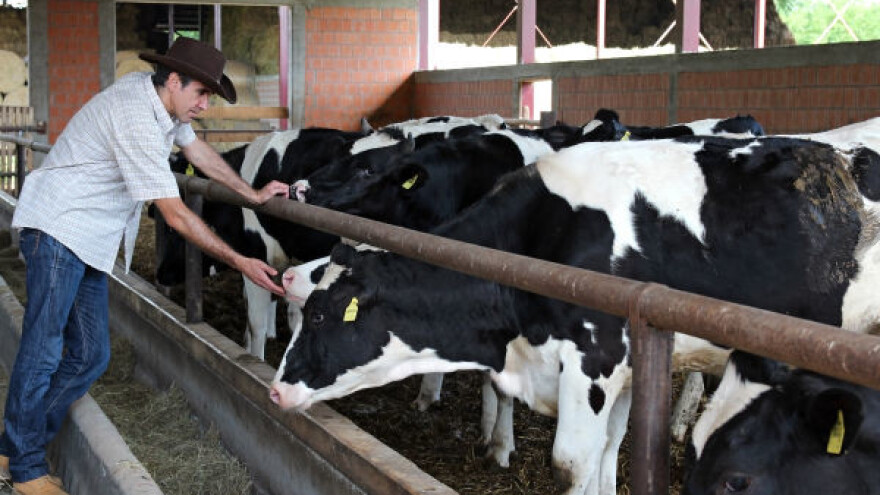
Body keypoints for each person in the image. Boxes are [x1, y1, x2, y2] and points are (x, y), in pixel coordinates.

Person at [0, 37, 288, 495]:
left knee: (91, 355)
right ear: (174, 80)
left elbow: (198, 153)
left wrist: (251, 194)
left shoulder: (163, 105)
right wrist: (240, 261)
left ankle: (15, 444)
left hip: (88, 238)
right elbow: (174, 215)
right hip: (58, 228)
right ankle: (25, 467)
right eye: (201, 93)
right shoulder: (134, 116)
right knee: (45, 349)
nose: (205, 105)